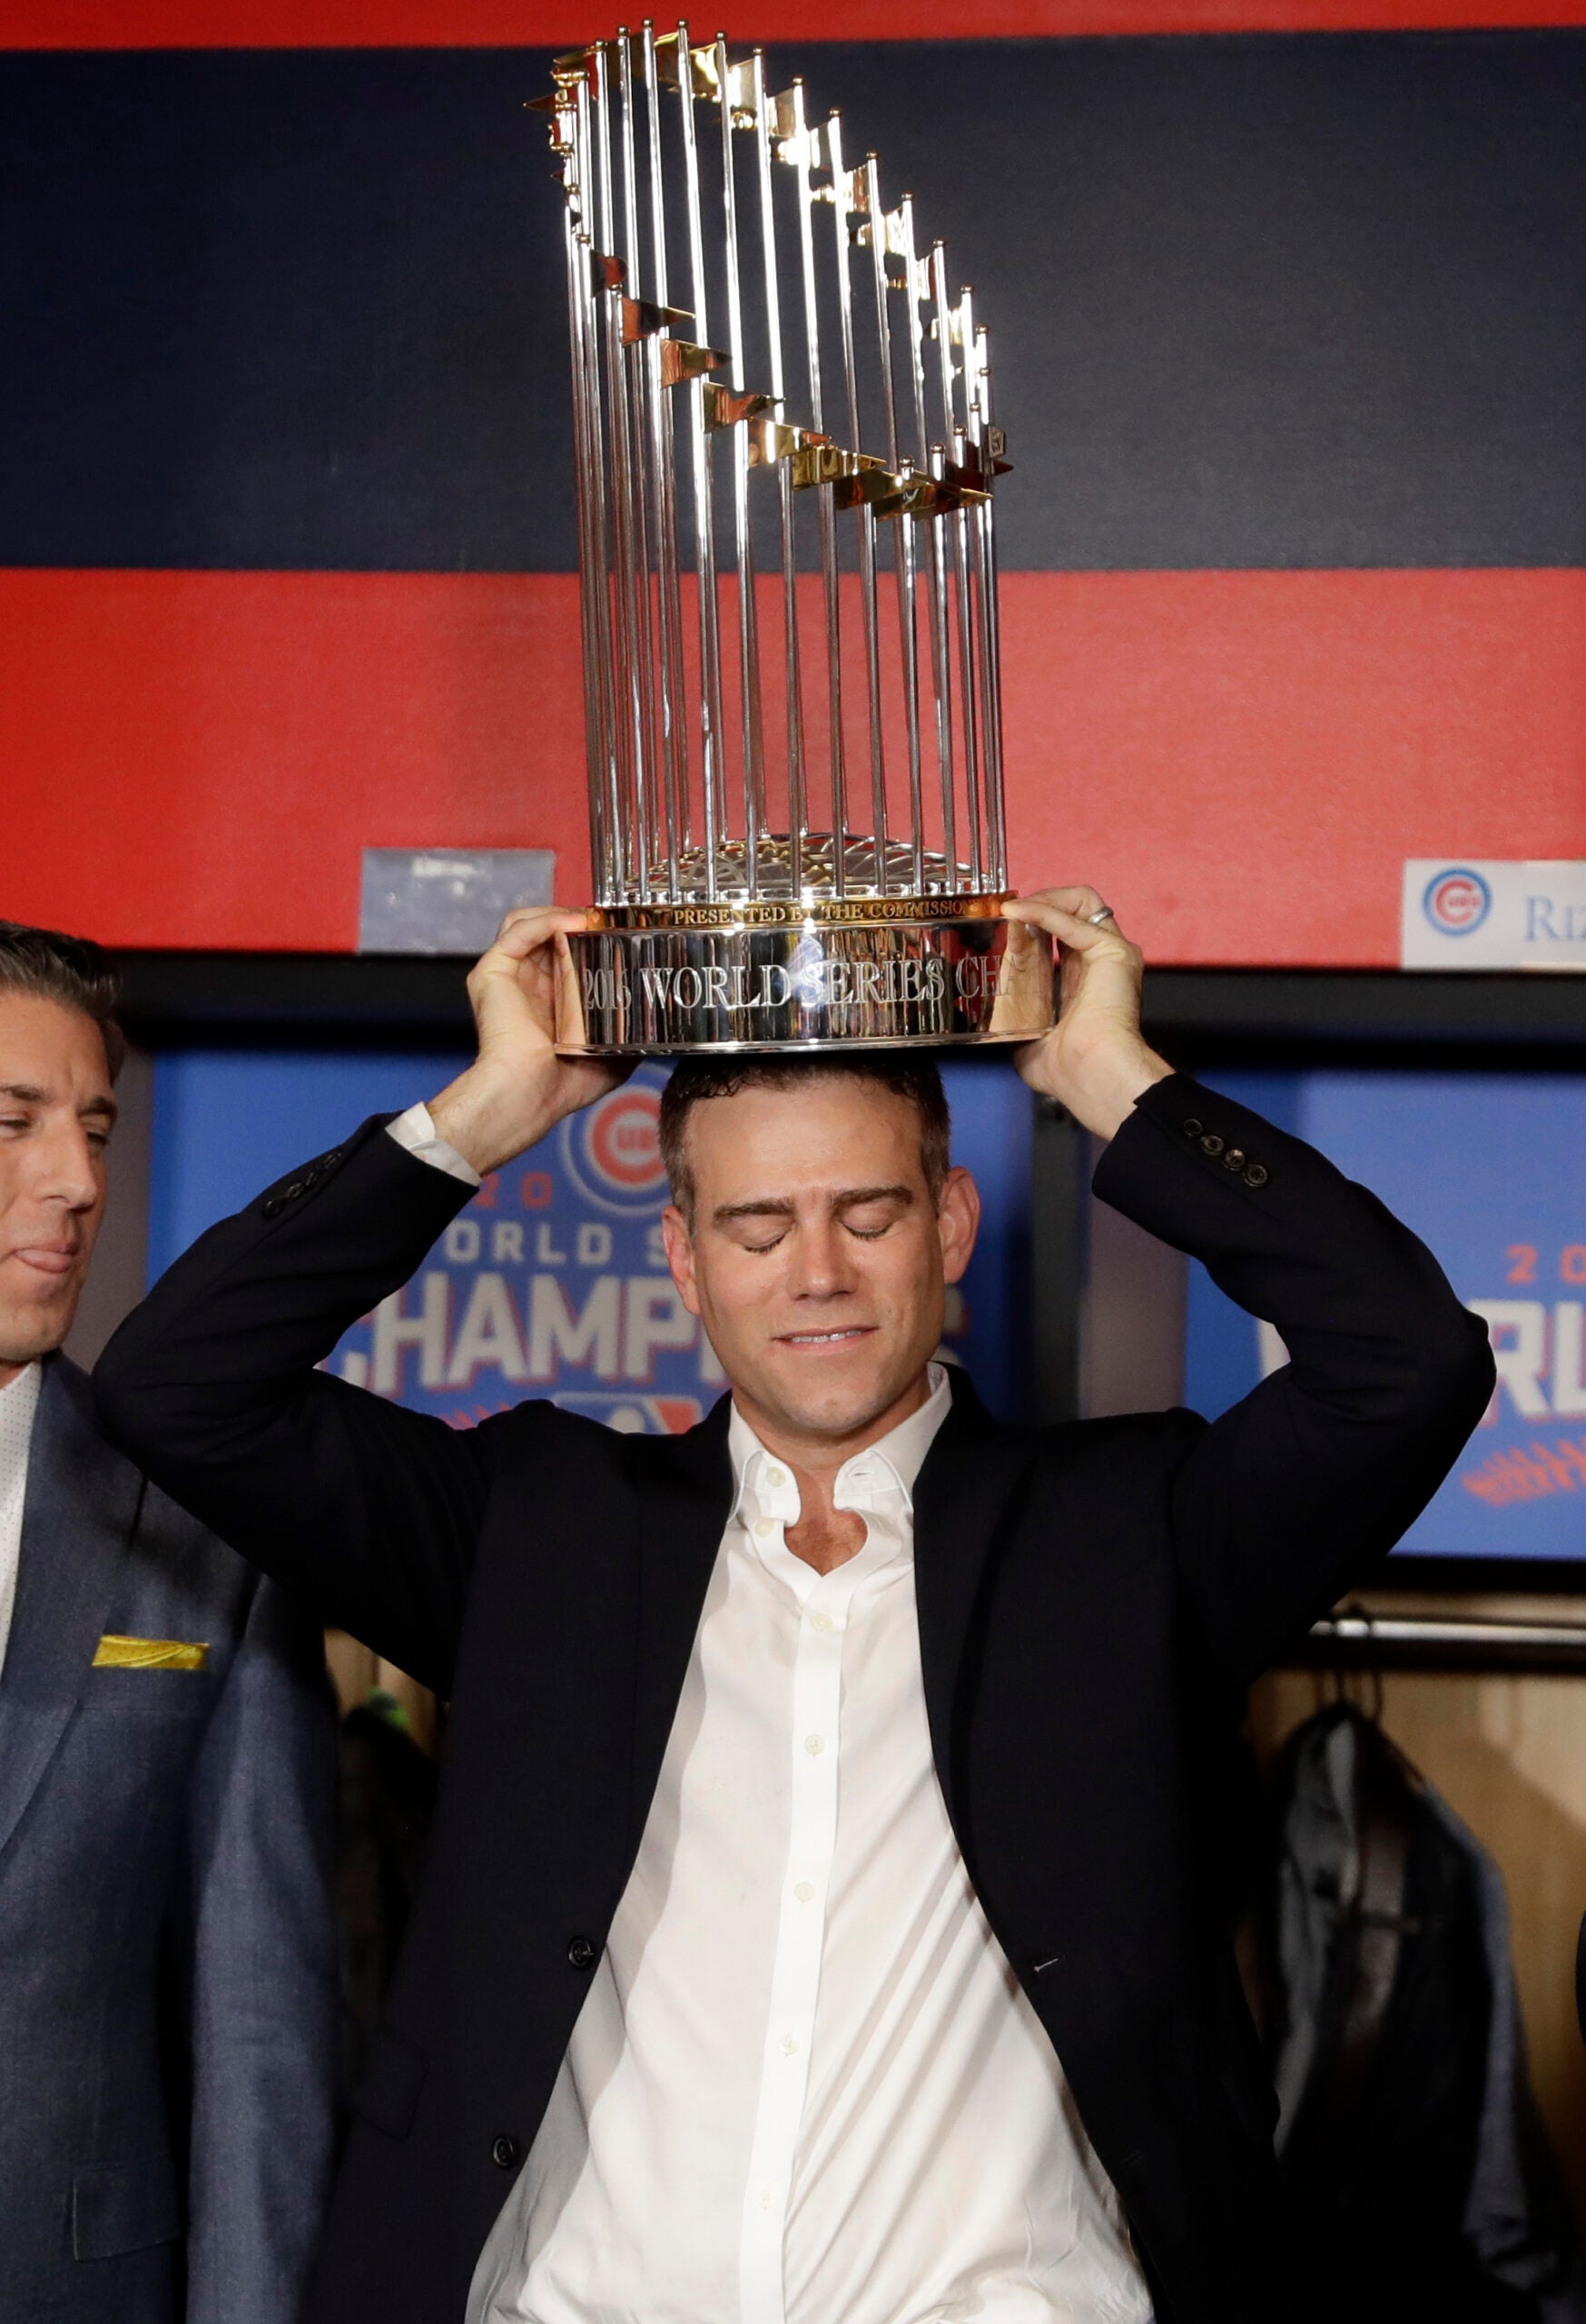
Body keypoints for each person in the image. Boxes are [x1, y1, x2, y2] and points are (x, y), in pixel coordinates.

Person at [93, 887, 1494, 2324]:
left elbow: (1408, 1364)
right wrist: (494, 1108)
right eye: (757, 1229)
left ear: (950, 1224)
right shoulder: (537, 1534)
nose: (817, 1274)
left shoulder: (1128, 1539)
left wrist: (1108, 1082)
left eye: (867, 1214)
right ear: (685, 1262)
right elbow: (178, 1386)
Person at [0, 922, 339, 2324]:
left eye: (95, 1128)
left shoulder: (198, 1517)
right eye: (13, 1123)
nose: (78, 1182)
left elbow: (260, 2026)